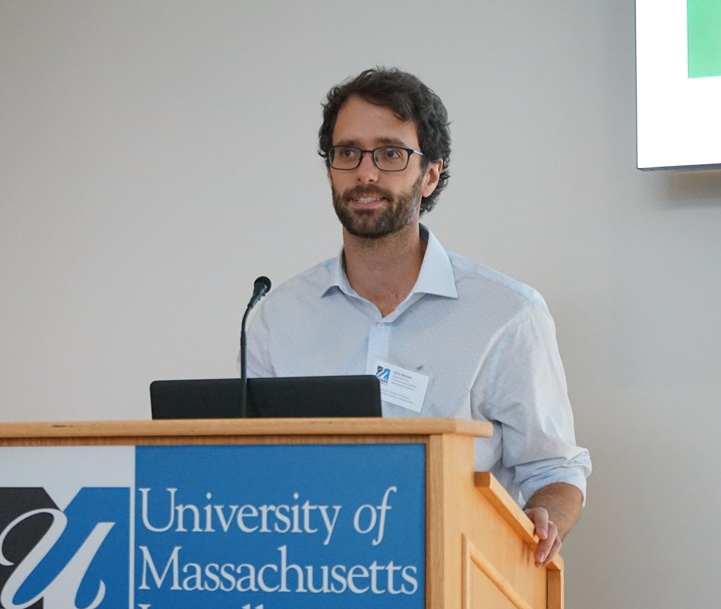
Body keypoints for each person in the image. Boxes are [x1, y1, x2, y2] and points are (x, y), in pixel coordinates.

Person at [245, 67, 591, 566]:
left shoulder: (507, 315)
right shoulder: (277, 316)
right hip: (304, 579)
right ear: (330, 172)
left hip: (453, 581)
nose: (366, 173)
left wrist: (544, 517)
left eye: (390, 154)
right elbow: (248, 468)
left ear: (430, 175)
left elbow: (553, 469)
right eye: (348, 153)